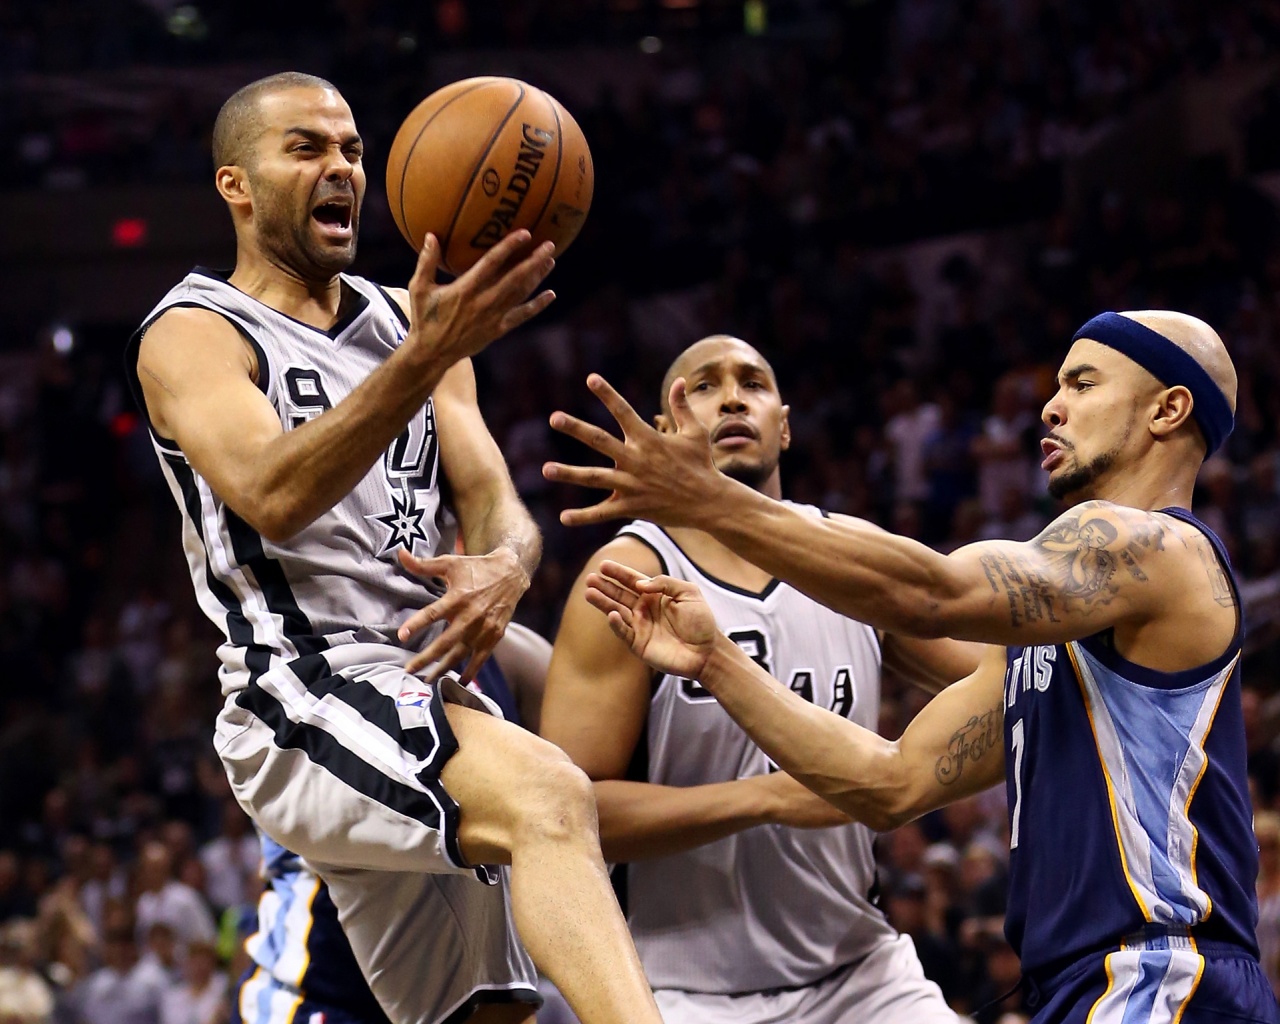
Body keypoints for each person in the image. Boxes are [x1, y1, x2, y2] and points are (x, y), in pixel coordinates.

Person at [544, 310, 1280, 1023]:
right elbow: (890, 783)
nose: (1050, 408)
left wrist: (708, 499)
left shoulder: (1156, 548)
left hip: (1165, 980)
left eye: (1081, 385)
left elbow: (934, 593)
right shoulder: (1057, 636)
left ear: (1168, 409)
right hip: (1082, 987)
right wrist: (716, 662)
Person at [126, 72, 661, 1024]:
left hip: (426, 684)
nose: (340, 169)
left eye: (353, 151)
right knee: (550, 796)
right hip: (300, 692)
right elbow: (272, 494)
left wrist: (505, 565)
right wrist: (422, 355)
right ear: (235, 186)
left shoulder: (413, 321)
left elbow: (495, 498)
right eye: (306, 149)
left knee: (490, 1011)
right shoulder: (193, 334)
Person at [542, 335, 979, 1024]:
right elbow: (567, 816)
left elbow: (1012, 679)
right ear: (663, 433)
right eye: (704, 386)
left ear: (784, 424)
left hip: (862, 974)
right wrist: (763, 797)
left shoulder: (848, 560)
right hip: (684, 991)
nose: (732, 396)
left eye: (753, 382)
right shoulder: (627, 578)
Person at [234, 624, 552, 1024]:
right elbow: (551, 820)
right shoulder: (301, 641)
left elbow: (575, 814)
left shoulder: (517, 656)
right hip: (318, 990)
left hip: (464, 983)